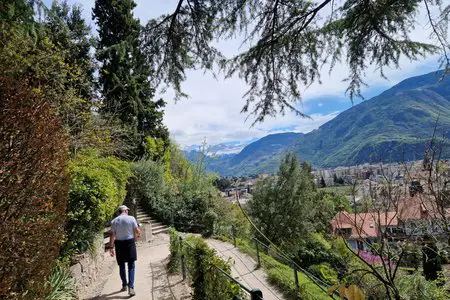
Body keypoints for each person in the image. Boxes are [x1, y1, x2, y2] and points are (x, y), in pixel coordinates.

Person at [109, 205, 141, 296]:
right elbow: (137, 231)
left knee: (121, 266)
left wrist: (111, 248)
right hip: (130, 243)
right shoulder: (131, 219)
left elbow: (113, 236)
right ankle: (131, 287)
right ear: (126, 211)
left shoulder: (114, 221)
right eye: (127, 210)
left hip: (119, 244)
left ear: (119, 212)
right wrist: (138, 236)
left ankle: (124, 285)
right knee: (131, 265)